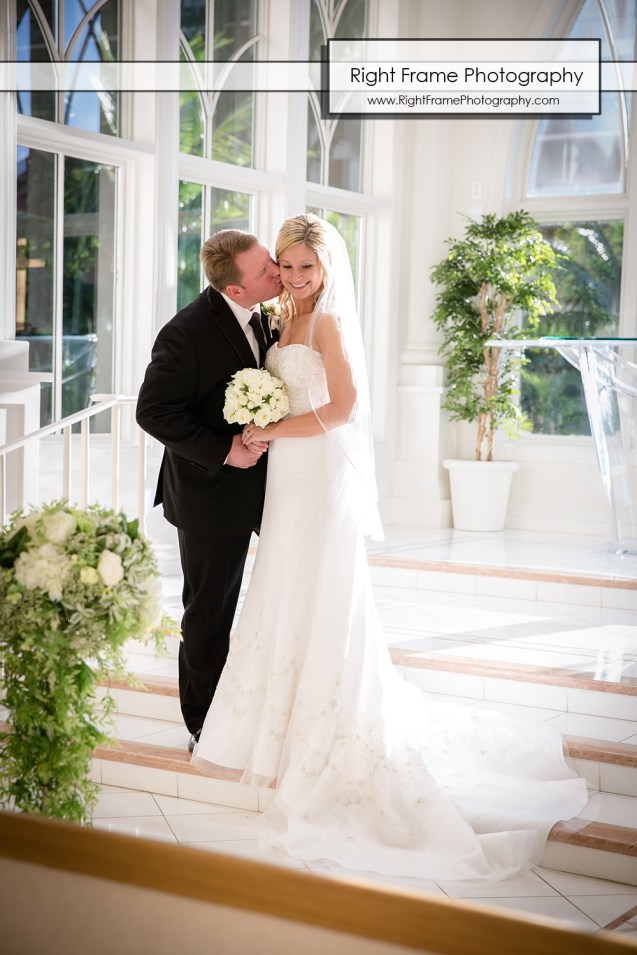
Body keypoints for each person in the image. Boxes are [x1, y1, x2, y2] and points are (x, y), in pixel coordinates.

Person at [193, 214, 589, 882]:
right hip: (287, 475)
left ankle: (329, 728)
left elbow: (343, 408)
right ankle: (271, 724)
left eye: (304, 267)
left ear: (326, 267)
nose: (292, 277)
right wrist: (261, 428)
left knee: (320, 587)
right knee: (284, 583)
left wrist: (273, 428)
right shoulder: (280, 320)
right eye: (284, 266)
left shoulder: (328, 325)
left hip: (318, 473)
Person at [136, 230, 282, 753]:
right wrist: (226, 451)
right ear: (236, 290)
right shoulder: (187, 332)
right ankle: (204, 725)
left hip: (271, 489)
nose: (278, 273)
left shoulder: (265, 313)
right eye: (267, 270)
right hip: (209, 495)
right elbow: (152, 412)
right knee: (209, 610)